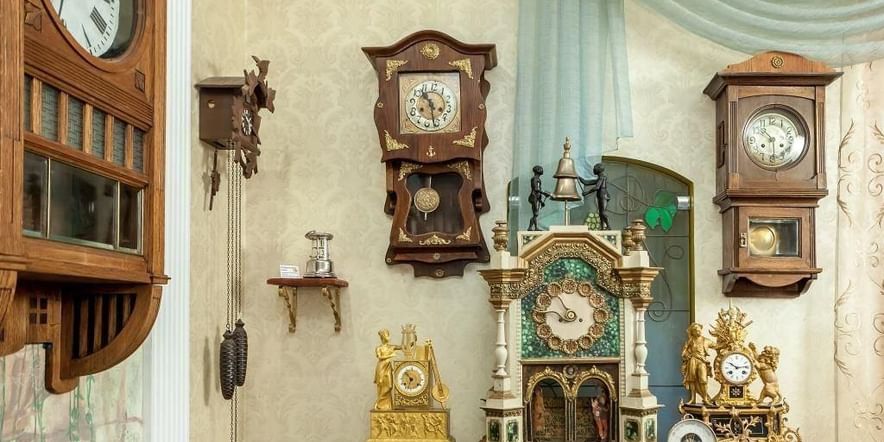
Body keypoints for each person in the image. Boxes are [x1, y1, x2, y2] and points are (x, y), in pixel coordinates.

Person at [681, 323, 716, 404]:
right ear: (692, 332)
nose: (697, 331)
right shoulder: (690, 341)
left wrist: (726, 343)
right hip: (692, 360)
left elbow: (716, 346)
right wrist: (687, 355)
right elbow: (684, 352)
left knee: (703, 379)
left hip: (702, 361)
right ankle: (693, 398)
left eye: (699, 329)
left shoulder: (706, 340)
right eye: (695, 330)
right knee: (692, 379)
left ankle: (705, 398)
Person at [374, 329, 400, 410]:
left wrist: (410, 338)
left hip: (388, 367)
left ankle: (382, 403)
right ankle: (380, 404)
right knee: (381, 385)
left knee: (389, 386)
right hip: (381, 367)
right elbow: (380, 357)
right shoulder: (379, 348)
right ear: (382, 337)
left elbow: (403, 347)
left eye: (388, 335)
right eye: (386, 335)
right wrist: (391, 355)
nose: (388, 337)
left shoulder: (392, 347)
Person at [580, 163, 610, 230]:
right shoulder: (600, 178)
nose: (593, 170)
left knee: (602, 212)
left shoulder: (602, 177)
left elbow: (597, 187)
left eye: (594, 168)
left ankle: (608, 226)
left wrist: (586, 193)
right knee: (600, 213)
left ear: (598, 169)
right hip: (601, 195)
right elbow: (587, 182)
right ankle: (602, 227)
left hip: (603, 195)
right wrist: (579, 178)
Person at [528, 165, 551, 231]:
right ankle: (530, 227)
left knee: (535, 214)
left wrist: (541, 201)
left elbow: (538, 190)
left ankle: (534, 227)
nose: (542, 170)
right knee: (535, 213)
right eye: (540, 169)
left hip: (536, 197)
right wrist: (544, 193)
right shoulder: (535, 179)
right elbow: (536, 189)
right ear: (537, 171)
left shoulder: (538, 179)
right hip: (534, 197)